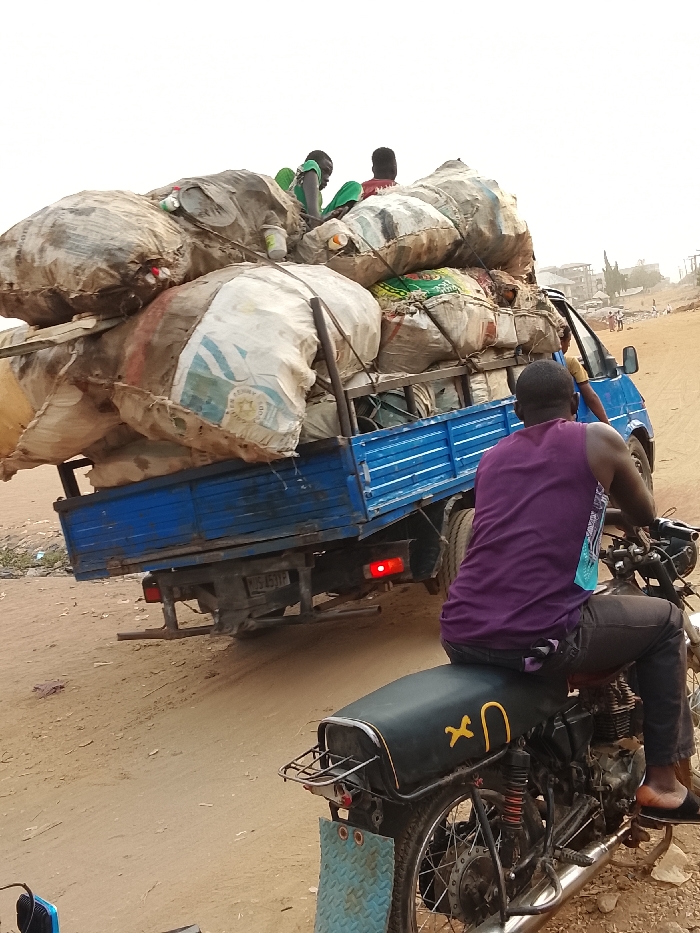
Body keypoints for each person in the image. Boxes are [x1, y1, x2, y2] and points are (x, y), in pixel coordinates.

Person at [441, 360, 698, 823]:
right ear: (575, 402)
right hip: (539, 632)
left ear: (518, 411)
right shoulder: (598, 439)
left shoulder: (492, 458)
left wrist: (596, 512)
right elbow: (643, 512)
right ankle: (662, 783)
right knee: (665, 622)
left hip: (461, 631)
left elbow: (523, 514)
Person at [275, 151, 362, 223]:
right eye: (325, 171)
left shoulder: (318, 197)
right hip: (292, 218)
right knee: (311, 163)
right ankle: (315, 219)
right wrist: (315, 217)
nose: (327, 179)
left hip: (317, 223)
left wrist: (330, 215)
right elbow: (278, 203)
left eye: (329, 175)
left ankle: (334, 221)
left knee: (353, 186)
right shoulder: (287, 174)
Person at [559, 326, 610, 424]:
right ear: (561, 343)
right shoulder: (570, 363)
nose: (569, 345)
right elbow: (591, 397)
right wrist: (608, 425)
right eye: (568, 341)